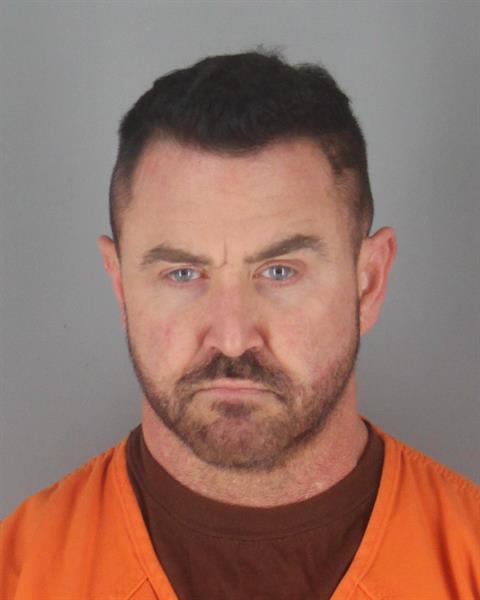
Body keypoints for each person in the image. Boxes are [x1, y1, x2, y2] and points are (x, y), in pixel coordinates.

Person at [1, 50, 478, 600]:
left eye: (279, 271)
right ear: (121, 285)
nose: (231, 339)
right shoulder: (21, 574)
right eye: (183, 273)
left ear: (368, 283)